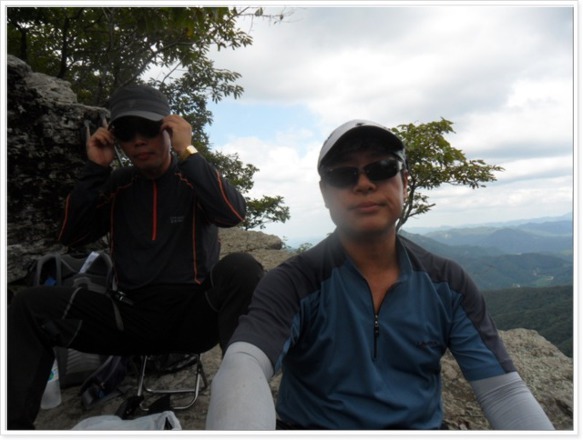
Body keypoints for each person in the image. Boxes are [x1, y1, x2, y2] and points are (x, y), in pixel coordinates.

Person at [205, 120, 555, 430]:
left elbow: (503, 391)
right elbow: (245, 363)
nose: (364, 183)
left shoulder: (447, 283)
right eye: (343, 174)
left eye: (382, 168)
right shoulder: (294, 282)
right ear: (325, 194)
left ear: (405, 182)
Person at [7, 84, 264, 430]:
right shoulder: (118, 184)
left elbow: (233, 213)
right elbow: (71, 236)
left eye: (149, 129)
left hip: (193, 318)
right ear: (117, 140)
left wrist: (189, 152)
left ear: (169, 130)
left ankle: (243, 402)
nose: (139, 141)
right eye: (127, 133)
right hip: (129, 318)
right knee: (29, 305)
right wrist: (96, 169)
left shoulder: (192, 177)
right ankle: (14, 427)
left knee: (242, 267)